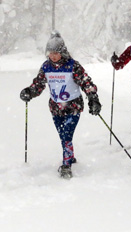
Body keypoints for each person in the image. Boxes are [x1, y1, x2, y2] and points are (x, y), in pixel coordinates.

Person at [20, 32, 101, 179]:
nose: (53, 56)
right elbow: (38, 85)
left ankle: (66, 165)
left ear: (62, 52)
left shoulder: (73, 66)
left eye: (56, 53)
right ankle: (70, 156)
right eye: (50, 53)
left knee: (67, 135)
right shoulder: (46, 67)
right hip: (56, 108)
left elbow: (86, 82)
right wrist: (29, 92)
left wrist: (93, 98)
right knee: (63, 136)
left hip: (73, 107)